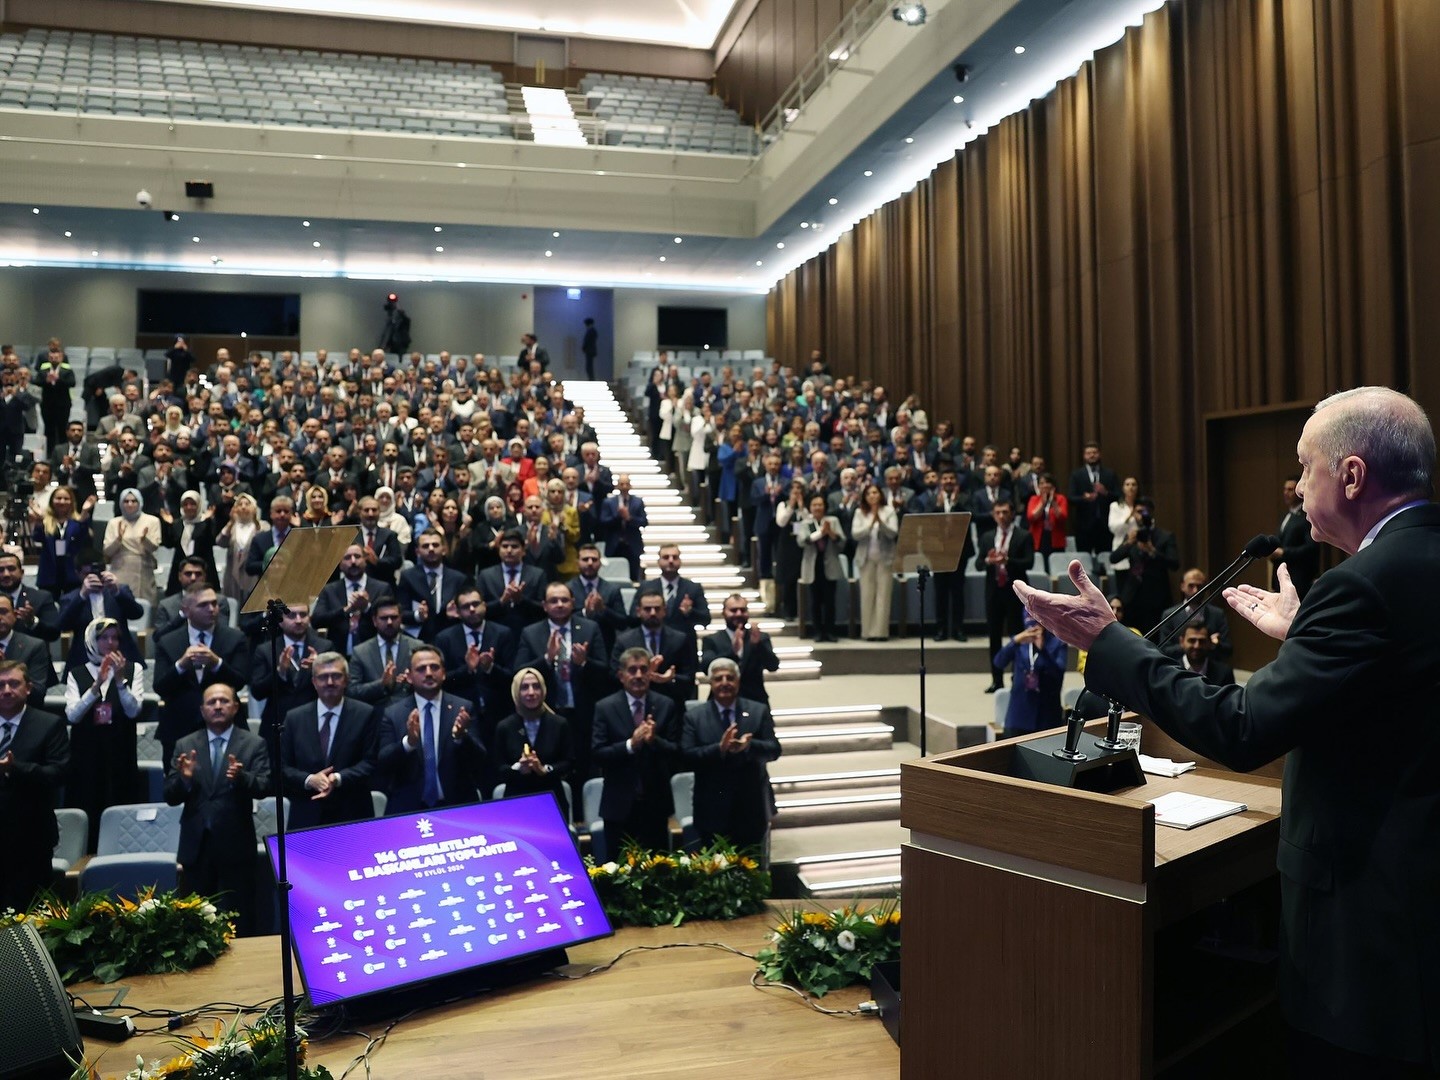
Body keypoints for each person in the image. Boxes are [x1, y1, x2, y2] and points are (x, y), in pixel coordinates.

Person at [1015, 387, 1440, 1074]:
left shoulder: (1362, 587)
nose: (1297, 489)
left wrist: (1111, 642)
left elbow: (1241, 729)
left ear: (1353, 475)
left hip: (1369, 946)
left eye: (1305, 468)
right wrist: (1308, 636)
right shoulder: (1412, 566)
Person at [165, 683, 270, 935]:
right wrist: (186, 779)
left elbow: (265, 786)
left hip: (236, 846)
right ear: (202, 710)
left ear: (235, 707)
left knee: (241, 918)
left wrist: (242, 778)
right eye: (212, 702)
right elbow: (169, 795)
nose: (218, 706)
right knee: (195, 922)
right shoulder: (185, 744)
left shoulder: (253, 743)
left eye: (224, 701)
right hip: (196, 847)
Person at [681, 657, 781, 851]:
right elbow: (687, 756)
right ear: (711, 683)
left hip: (750, 808)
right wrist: (719, 748)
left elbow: (774, 750)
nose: (725, 683)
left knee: (751, 872)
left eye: (730, 678)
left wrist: (749, 746)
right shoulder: (694, 716)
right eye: (719, 679)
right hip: (711, 809)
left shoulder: (758, 710)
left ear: (738, 681)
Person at [64, 617, 145, 851]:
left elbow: (133, 711)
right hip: (87, 752)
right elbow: (72, 715)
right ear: (92, 639)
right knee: (88, 802)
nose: (110, 643)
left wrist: (119, 682)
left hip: (121, 748)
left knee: (121, 801)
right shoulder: (77, 672)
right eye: (104, 637)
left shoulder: (132, 669)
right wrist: (96, 685)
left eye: (115, 637)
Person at [377, 645, 487, 814]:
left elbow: (481, 760)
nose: (428, 673)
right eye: (421, 669)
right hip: (409, 809)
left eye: (434, 667)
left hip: (457, 806)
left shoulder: (463, 708)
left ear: (443, 673)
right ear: (410, 677)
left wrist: (461, 737)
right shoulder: (393, 713)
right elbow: (383, 764)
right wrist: (408, 743)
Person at [592, 646, 681, 855]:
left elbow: (677, 751)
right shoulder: (605, 707)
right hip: (618, 806)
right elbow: (597, 753)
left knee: (658, 872)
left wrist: (653, 740)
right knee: (619, 872)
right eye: (632, 670)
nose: (639, 675)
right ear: (621, 676)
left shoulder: (665, 705)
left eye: (643, 669)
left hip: (655, 805)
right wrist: (630, 745)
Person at [152, 583, 251, 765]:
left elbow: (240, 681)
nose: (212, 609)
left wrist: (217, 663)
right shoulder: (167, 641)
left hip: (226, 727)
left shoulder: (235, 638)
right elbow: (160, 687)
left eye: (214, 604)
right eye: (203, 605)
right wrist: (181, 666)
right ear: (186, 610)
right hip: (179, 727)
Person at [280, 652, 380, 829]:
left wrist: (337, 778)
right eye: (323, 677)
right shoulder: (294, 718)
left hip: (352, 813)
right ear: (314, 682)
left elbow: (371, 762)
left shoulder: (365, 714)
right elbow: (282, 767)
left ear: (347, 680)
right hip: (307, 813)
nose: (330, 682)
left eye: (336, 676)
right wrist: (309, 779)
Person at [0, 660, 68, 912]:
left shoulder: (48, 724)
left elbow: (59, 773)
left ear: (28, 688)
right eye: (1, 685)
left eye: (14, 683)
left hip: (31, 839)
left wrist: (15, 769)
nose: (6, 690)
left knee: (30, 920)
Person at [492, 667, 574, 817]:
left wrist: (544, 769)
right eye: (524, 687)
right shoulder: (505, 727)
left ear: (543, 690)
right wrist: (518, 768)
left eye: (536, 686)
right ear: (516, 692)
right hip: (516, 803)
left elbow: (569, 762)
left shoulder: (559, 724)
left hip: (552, 801)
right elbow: (498, 767)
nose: (531, 692)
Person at [976, 501, 1034, 693]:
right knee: (994, 636)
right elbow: (977, 563)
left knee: (1018, 634)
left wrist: (1008, 560)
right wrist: (988, 560)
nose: (1002, 516)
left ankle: (1017, 677)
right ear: (993, 515)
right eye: (998, 512)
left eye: (1005, 512)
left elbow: (1029, 562)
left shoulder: (1023, 535)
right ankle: (996, 679)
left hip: (1015, 592)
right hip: (993, 592)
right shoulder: (987, 537)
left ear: (1012, 514)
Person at [1110, 495, 1180, 633]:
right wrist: (1128, 543)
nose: (1141, 515)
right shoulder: (1132, 536)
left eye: (1144, 511)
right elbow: (1114, 558)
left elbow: (1175, 564)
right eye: (1138, 511)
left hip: (1157, 597)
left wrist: (1153, 552)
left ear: (1151, 512)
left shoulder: (1165, 536)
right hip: (1132, 598)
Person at [991, 613, 1067, 738]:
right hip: (1019, 714)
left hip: (1047, 715)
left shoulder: (1057, 643)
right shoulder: (1020, 642)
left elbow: (1058, 674)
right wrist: (1014, 641)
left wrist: (1043, 651)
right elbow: (998, 662)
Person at [700, 594, 780, 706]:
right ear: (724, 613)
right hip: (721, 701)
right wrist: (733, 651)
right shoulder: (711, 640)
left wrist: (759, 645)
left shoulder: (761, 637)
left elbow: (773, 666)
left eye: (743, 610)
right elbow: (706, 667)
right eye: (733, 610)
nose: (739, 614)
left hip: (755, 702)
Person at [851, 482, 898, 641]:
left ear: (880, 495)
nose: (873, 496)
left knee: (883, 595)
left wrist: (881, 522)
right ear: (865, 496)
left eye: (875, 493)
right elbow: (856, 534)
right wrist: (871, 524)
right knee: (867, 595)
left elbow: (893, 533)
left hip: (885, 558)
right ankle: (867, 632)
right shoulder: (860, 512)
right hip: (866, 558)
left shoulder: (889, 511)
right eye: (869, 493)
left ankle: (881, 632)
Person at [102, 488, 163, 607]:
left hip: (143, 569)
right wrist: (118, 539)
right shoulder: (114, 523)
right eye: (126, 501)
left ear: (140, 502)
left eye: (134, 501)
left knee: (144, 608)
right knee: (119, 606)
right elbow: (107, 551)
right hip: (120, 569)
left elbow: (154, 547)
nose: (130, 504)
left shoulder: (152, 521)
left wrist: (144, 540)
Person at [32, 486, 96, 598]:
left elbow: (84, 538)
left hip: (72, 575)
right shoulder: (46, 521)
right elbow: (37, 538)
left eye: (66, 499)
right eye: (58, 498)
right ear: (52, 501)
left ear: (72, 501)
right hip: (49, 574)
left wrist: (85, 512)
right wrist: (40, 520)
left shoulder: (78, 521)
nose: (62, 502)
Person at [798, 494, 844, 641]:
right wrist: (820, 534)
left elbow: (842, 543)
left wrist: (830, 533)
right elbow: (802, 541)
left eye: (820, 504)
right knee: (815, 601)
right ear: (810, 507)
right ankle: (818, 631)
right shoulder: (805, 523)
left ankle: (830, 631)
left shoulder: (833, 521)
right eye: (814, 505)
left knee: (830, 601)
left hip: (829, 564)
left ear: (825, 507)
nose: (817, 507)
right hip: (812, 565)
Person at [1272, 474, 1321, 599]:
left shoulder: (1306, 516)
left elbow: (1311, 548)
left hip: (1299, 579)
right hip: (1280, 577)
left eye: (1290, 490)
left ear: (1299, 491)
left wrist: (1284, 552)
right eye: (1284, 489)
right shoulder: (1285, 516)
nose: (1286, 493)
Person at [217, 492, 262, 603]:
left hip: (252, 576)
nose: (243, 507)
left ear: (254, 508)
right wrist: (231, 522)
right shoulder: (232, 527)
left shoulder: (262, 527)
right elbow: (220, 542)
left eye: (247, 504)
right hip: (232, 575)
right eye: (240, 504)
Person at [1176, 617, 1235, 687]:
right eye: (1192, 640)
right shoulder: (1171, 672)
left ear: (1210, 643)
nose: (1197, 646)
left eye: (1202, 641)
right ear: (1182, 642)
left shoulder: (1224, 673)